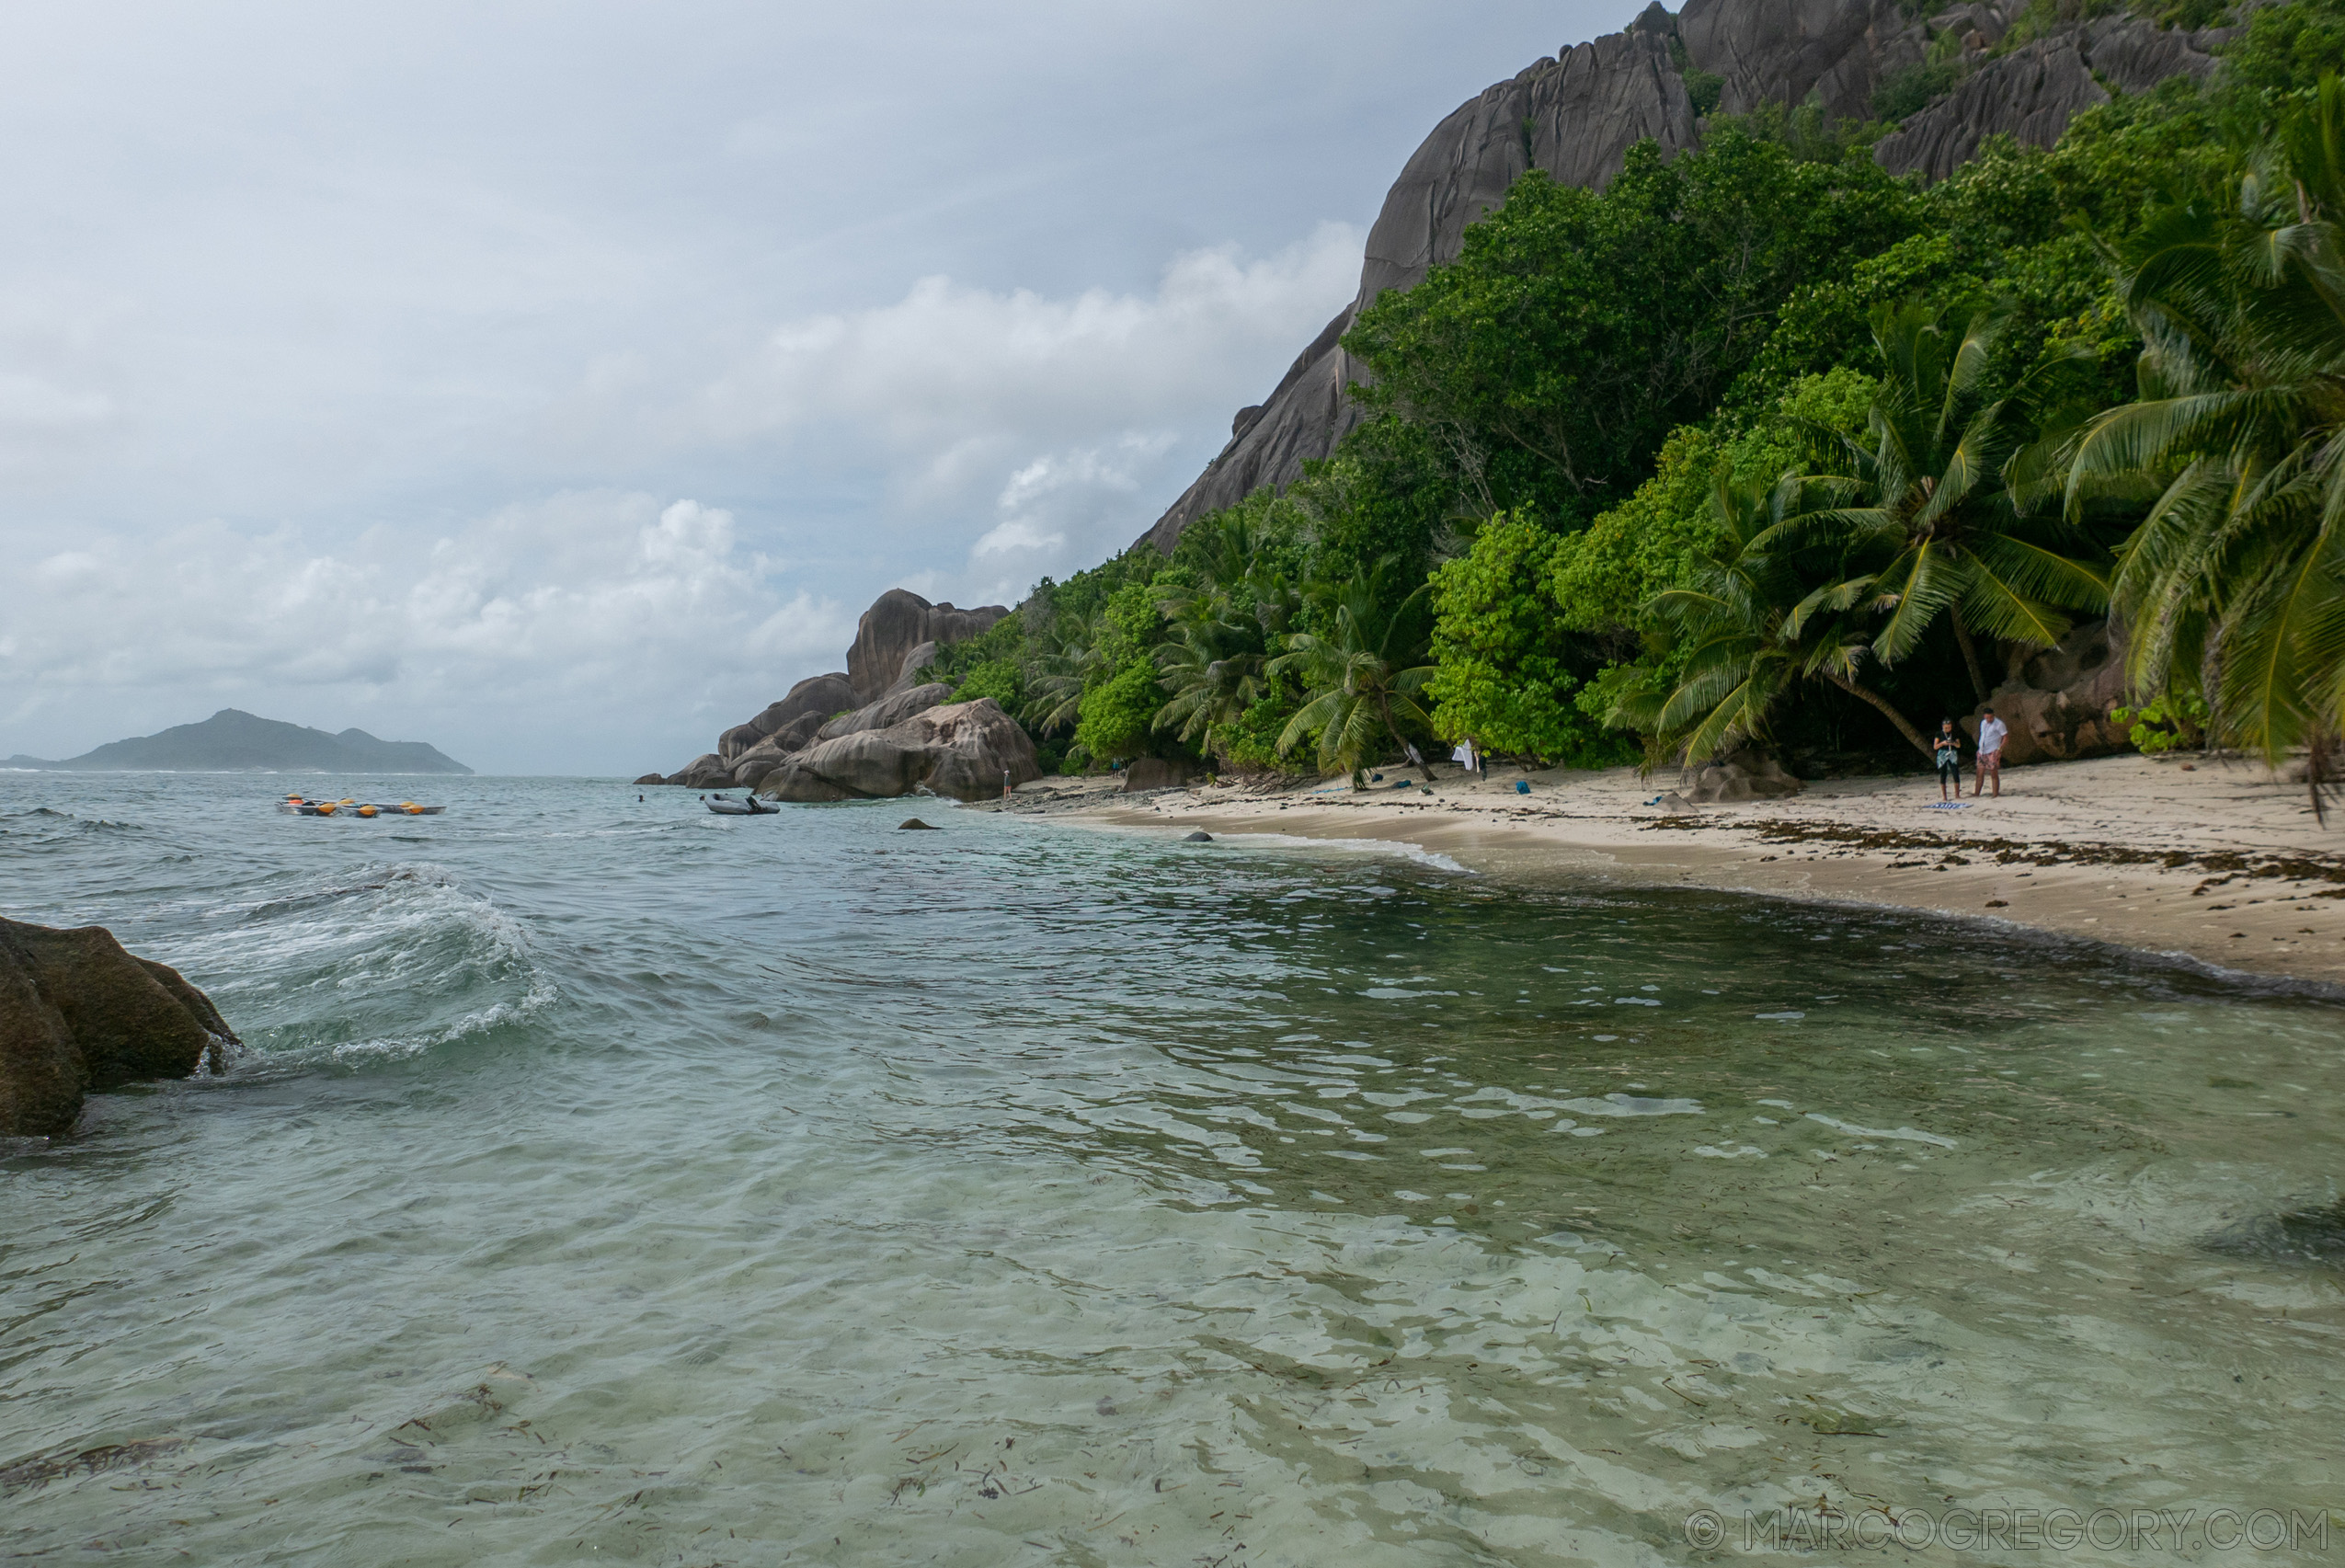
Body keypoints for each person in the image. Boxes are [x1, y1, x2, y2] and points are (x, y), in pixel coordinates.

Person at [1973, 706, 2008, 798]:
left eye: (1991, 718)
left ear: (1993, 716)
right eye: (1987, 718)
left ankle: (1995, 794)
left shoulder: (1999, 724)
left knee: (1993, 773)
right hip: (1982, 751)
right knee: (1979, 772)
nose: (1989, 719)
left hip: (1992, 750)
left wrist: (2000, 749)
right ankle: (1976, 793)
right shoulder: (1983, 723)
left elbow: (2005, 737)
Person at [1932, 718, 1962, 802]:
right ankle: (1944, 797)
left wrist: (1953, 743)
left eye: (1949, 727)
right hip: (1942, 754)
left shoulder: (1954, 733)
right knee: (1943, 774)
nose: (1948, 729)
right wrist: (1942, 743)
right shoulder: (1939, 734)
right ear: (1943, 727)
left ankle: (1957, 794)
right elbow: (1935, 747)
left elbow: (1958, 745)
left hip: (1952, 753)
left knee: (1955, 773)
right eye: (1946, 728)